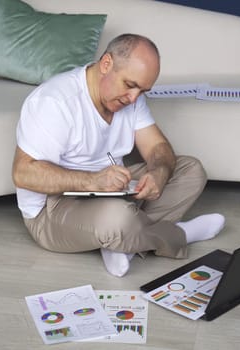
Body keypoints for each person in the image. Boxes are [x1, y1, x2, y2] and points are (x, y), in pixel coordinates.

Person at [12, 33, 225, 277]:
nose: (133, 98)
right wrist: (92, 181)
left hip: (113, 189)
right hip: (51, 209)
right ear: (106, 65)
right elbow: (23, 173)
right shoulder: (55, 101)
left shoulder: (130, 99)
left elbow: (158, 148)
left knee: (191, 171)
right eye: (130, 85)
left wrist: (159, 172)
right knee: (119, 218)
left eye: (143, 91)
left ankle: (120, 243)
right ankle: (181, 234)